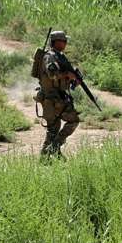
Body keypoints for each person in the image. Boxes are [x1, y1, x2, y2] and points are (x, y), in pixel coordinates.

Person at [36, 30, 80, 158]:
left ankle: (46, 156)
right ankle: (54, 148)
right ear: (57, 42)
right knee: (72, 121)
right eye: (64, 41)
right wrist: (67, 75)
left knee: (53, 130)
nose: (66, 43)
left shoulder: (59, 56)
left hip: (57, 98)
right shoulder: (50, 57)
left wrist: (72, 79)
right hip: (53, 99)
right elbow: (52, 74)